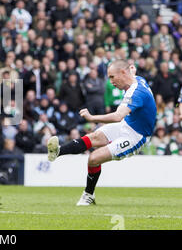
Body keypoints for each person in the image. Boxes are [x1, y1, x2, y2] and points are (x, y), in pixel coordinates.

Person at [47, 60, 157, 205]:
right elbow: (132, 68)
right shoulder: (135, 77)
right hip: (127, 124)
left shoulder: (136, 92)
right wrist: (130, 67)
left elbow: (117, 116)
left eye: (112, 77)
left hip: (136, 136)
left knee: (93, 158)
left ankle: (88, 195)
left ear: (123, 73)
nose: (110, 82)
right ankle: (58, 152)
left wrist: (92, 118)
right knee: (94, 136)